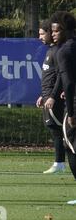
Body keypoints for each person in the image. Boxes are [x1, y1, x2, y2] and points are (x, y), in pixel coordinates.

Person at [49, 12, 76, 201]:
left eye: (56, 30)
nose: (53, 34)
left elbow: (68, 82)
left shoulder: (64, 51)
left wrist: (72, 112)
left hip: (74, 105)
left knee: (71, 147)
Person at [35, 20, 65, 174]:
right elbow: (50, 76)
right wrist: (43, 95)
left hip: (54, 99)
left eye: (42, 33)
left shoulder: (58, 51)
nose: (40, 36)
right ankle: (59, 162)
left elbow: (61, 76)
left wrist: (52, 96)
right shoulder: (49, 51)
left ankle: (59, 163)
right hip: (47, 97)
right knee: (54, 129)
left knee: (58, 130)